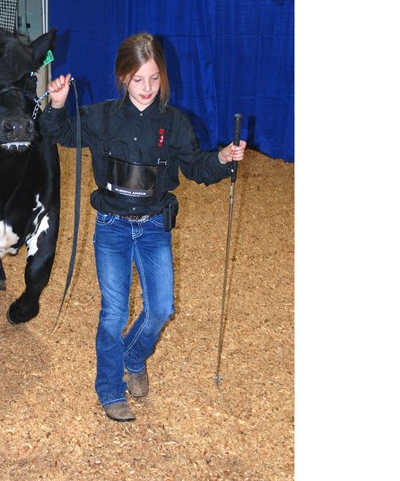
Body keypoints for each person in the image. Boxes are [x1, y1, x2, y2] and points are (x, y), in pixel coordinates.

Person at [40, 33, 246, 422]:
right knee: (114, 313)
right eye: (138, 80)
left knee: (162, 308)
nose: (147, 88)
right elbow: (61, 134)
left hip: (153, 227)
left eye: (154, 78)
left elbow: (198, 167)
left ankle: (134, 355)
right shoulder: (102, 117)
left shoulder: (174, 123)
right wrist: (57, 104)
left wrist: (221, 157)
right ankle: (109, 388)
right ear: (122, 78)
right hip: (112, 228)